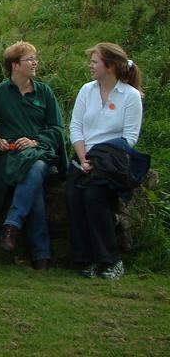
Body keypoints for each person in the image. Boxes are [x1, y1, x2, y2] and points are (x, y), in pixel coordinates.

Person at [0, 41, 67, 270]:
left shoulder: (44, 92)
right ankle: (41, 254)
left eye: (35, 58)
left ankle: (12, 225)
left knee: (35, 166)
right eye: (30, 59)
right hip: (11, 154)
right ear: (15, 65)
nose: (35, 63)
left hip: (40, 152)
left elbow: (57, 128)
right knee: (33, 184)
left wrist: (35, 141)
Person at [67, 42, 149, 280]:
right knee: (74, 196)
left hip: (113, 161)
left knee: (94, 196)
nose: (90, 66)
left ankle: (111, 259)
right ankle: (87, 258)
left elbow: (130, 137)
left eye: (95, 62)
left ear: (110, 66)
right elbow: (76, 126)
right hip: (84, 157)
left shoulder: (130, 96)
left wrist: (99, 158)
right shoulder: (86, 90)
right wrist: (83, 158)